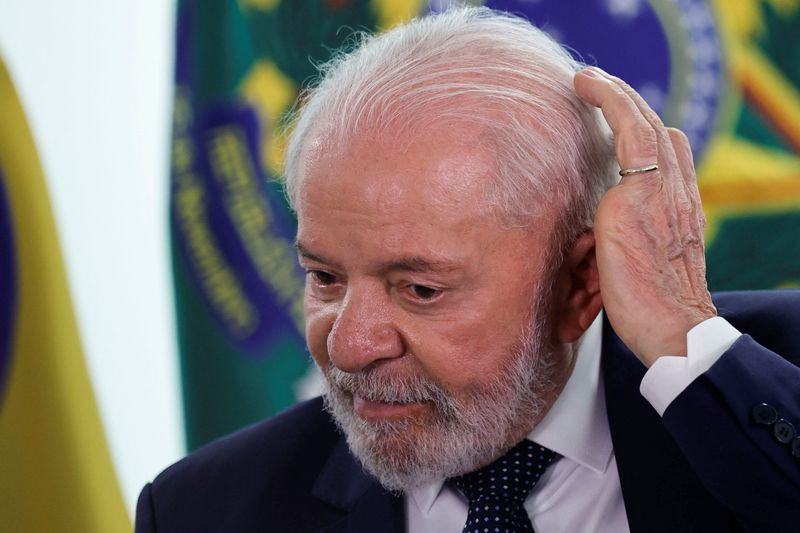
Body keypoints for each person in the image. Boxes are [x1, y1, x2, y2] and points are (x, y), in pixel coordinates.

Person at [136, 7, 800, 532]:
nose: (347, 345)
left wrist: (682, 331)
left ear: (581, 283)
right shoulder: (203, 510)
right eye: (325, 277)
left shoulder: (756, 381)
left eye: (420, 289)